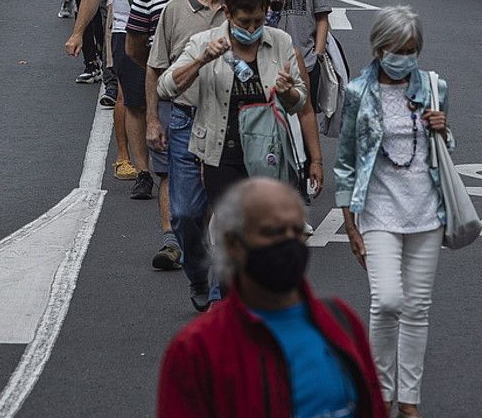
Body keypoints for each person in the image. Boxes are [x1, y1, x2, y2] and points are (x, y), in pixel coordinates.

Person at [156, 178, 389, 418]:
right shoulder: (196, 350)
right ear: (233, 243)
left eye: (296, 230)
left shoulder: (341, 321)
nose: (288, 241)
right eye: (273, 232)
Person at [335, 6, 450, 417]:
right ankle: (380, 394)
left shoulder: (435, 87)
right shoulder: (356, 93)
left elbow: (443, 151)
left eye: (412, 49)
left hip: (426, 209)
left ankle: (408, 401)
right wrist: (349, 222)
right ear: (380, 48)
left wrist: (444, 129)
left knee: (417, 309)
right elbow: (346, 159)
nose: (405, 57)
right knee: (386, 301)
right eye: (398, 49)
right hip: (379, 209)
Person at [66, 0, 180, 197]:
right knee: (136, 103)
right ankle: (144, 171)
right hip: (131, 30)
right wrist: (77, 32)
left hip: (175, 33)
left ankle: (176, 165)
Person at [158, 0, 308, 208]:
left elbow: (299, 102)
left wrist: (287, 91)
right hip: (222, 153)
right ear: (227, 13)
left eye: (258, 21)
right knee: (229, 222)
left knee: (262, 226)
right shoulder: (203, 42)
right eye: (244, 22)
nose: (251, 29)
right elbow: (165, 88)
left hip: (267, 153)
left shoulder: (281, 42)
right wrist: (201, 61)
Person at [147, 0, 235, 310]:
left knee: (225, 214)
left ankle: (218, 293)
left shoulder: (241, 10)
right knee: (185, 214)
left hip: (231, 124)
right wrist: (153, 120)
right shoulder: (175, 11)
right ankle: (199, 275)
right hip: (185, 121)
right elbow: (155, 69)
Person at [127, 0, 209, 272]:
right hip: (174, 101)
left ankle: (203, 243)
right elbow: (136, 47)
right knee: (170, 174)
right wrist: (160, 91)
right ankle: (172, 241)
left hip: (219, 105)